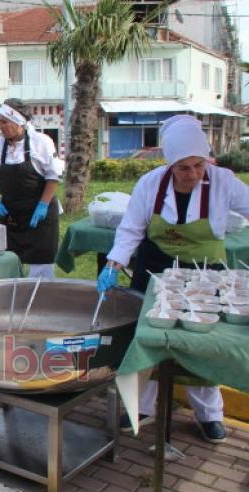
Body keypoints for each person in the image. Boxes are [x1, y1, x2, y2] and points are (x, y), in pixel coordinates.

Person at [98, 115, 249, 444]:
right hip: (155, 267)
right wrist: (113, 264)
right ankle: (142, 407)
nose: (193, 174)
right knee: (148, 337)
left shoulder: (223, 181)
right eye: (183, 168)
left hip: (205, 271)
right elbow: (131, 229)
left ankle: (209, 413)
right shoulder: (150, 184)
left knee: (202, 343)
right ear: (170, 164)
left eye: (199, 165)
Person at [0, 98, 61, 279]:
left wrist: (43, 205)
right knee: (6, 261)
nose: (0, 126)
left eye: (4, 122)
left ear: (18, 122)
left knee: (41, 264)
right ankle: (12, 295)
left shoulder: (42, 142)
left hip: (40, 216)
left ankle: (40, 295)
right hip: (12, 216)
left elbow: (53, 177)